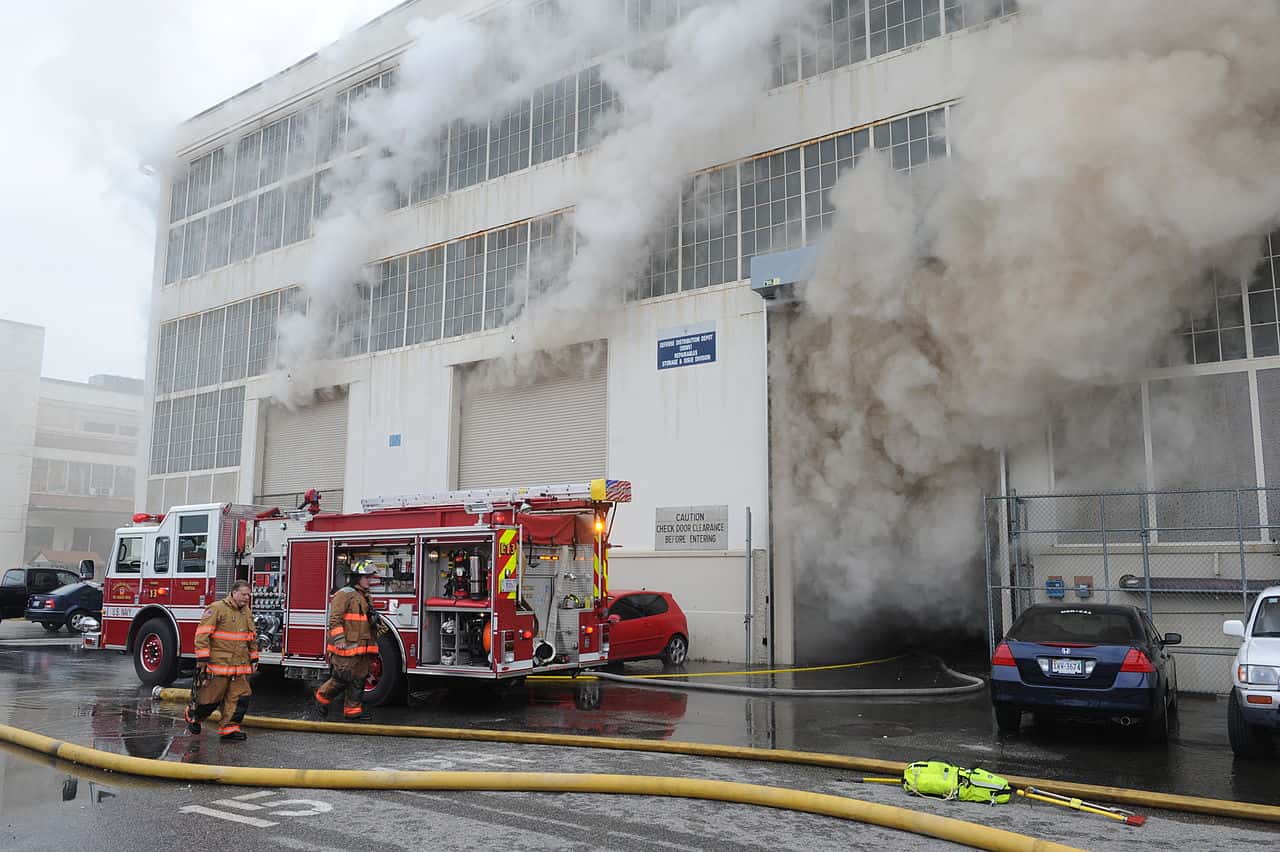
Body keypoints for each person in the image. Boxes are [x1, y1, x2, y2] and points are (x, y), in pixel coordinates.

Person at [186, 580, 258, 741]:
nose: (247, 598)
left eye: (249, 595)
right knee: (209, 700)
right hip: (218, 665)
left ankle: (229, 729)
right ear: (234, 593)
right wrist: (203, 658)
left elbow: (251, 638)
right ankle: (194, 716)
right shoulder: (216, 609)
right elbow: (202, 634)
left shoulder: (246, 612)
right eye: (244, 594)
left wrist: (254, 658)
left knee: (240, 699)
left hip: (240, 666)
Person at [314, 561, 383, 721]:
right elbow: (335, 619)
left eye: (370, 577)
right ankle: (321, 699)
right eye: (366, 577)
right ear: (357, 577)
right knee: (342, 678)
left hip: (362, 647)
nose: (369, 580)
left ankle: (353, 712)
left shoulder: (365, 595)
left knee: (359, 680)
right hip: (347, 646)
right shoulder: (344, 594)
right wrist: (339, 638)